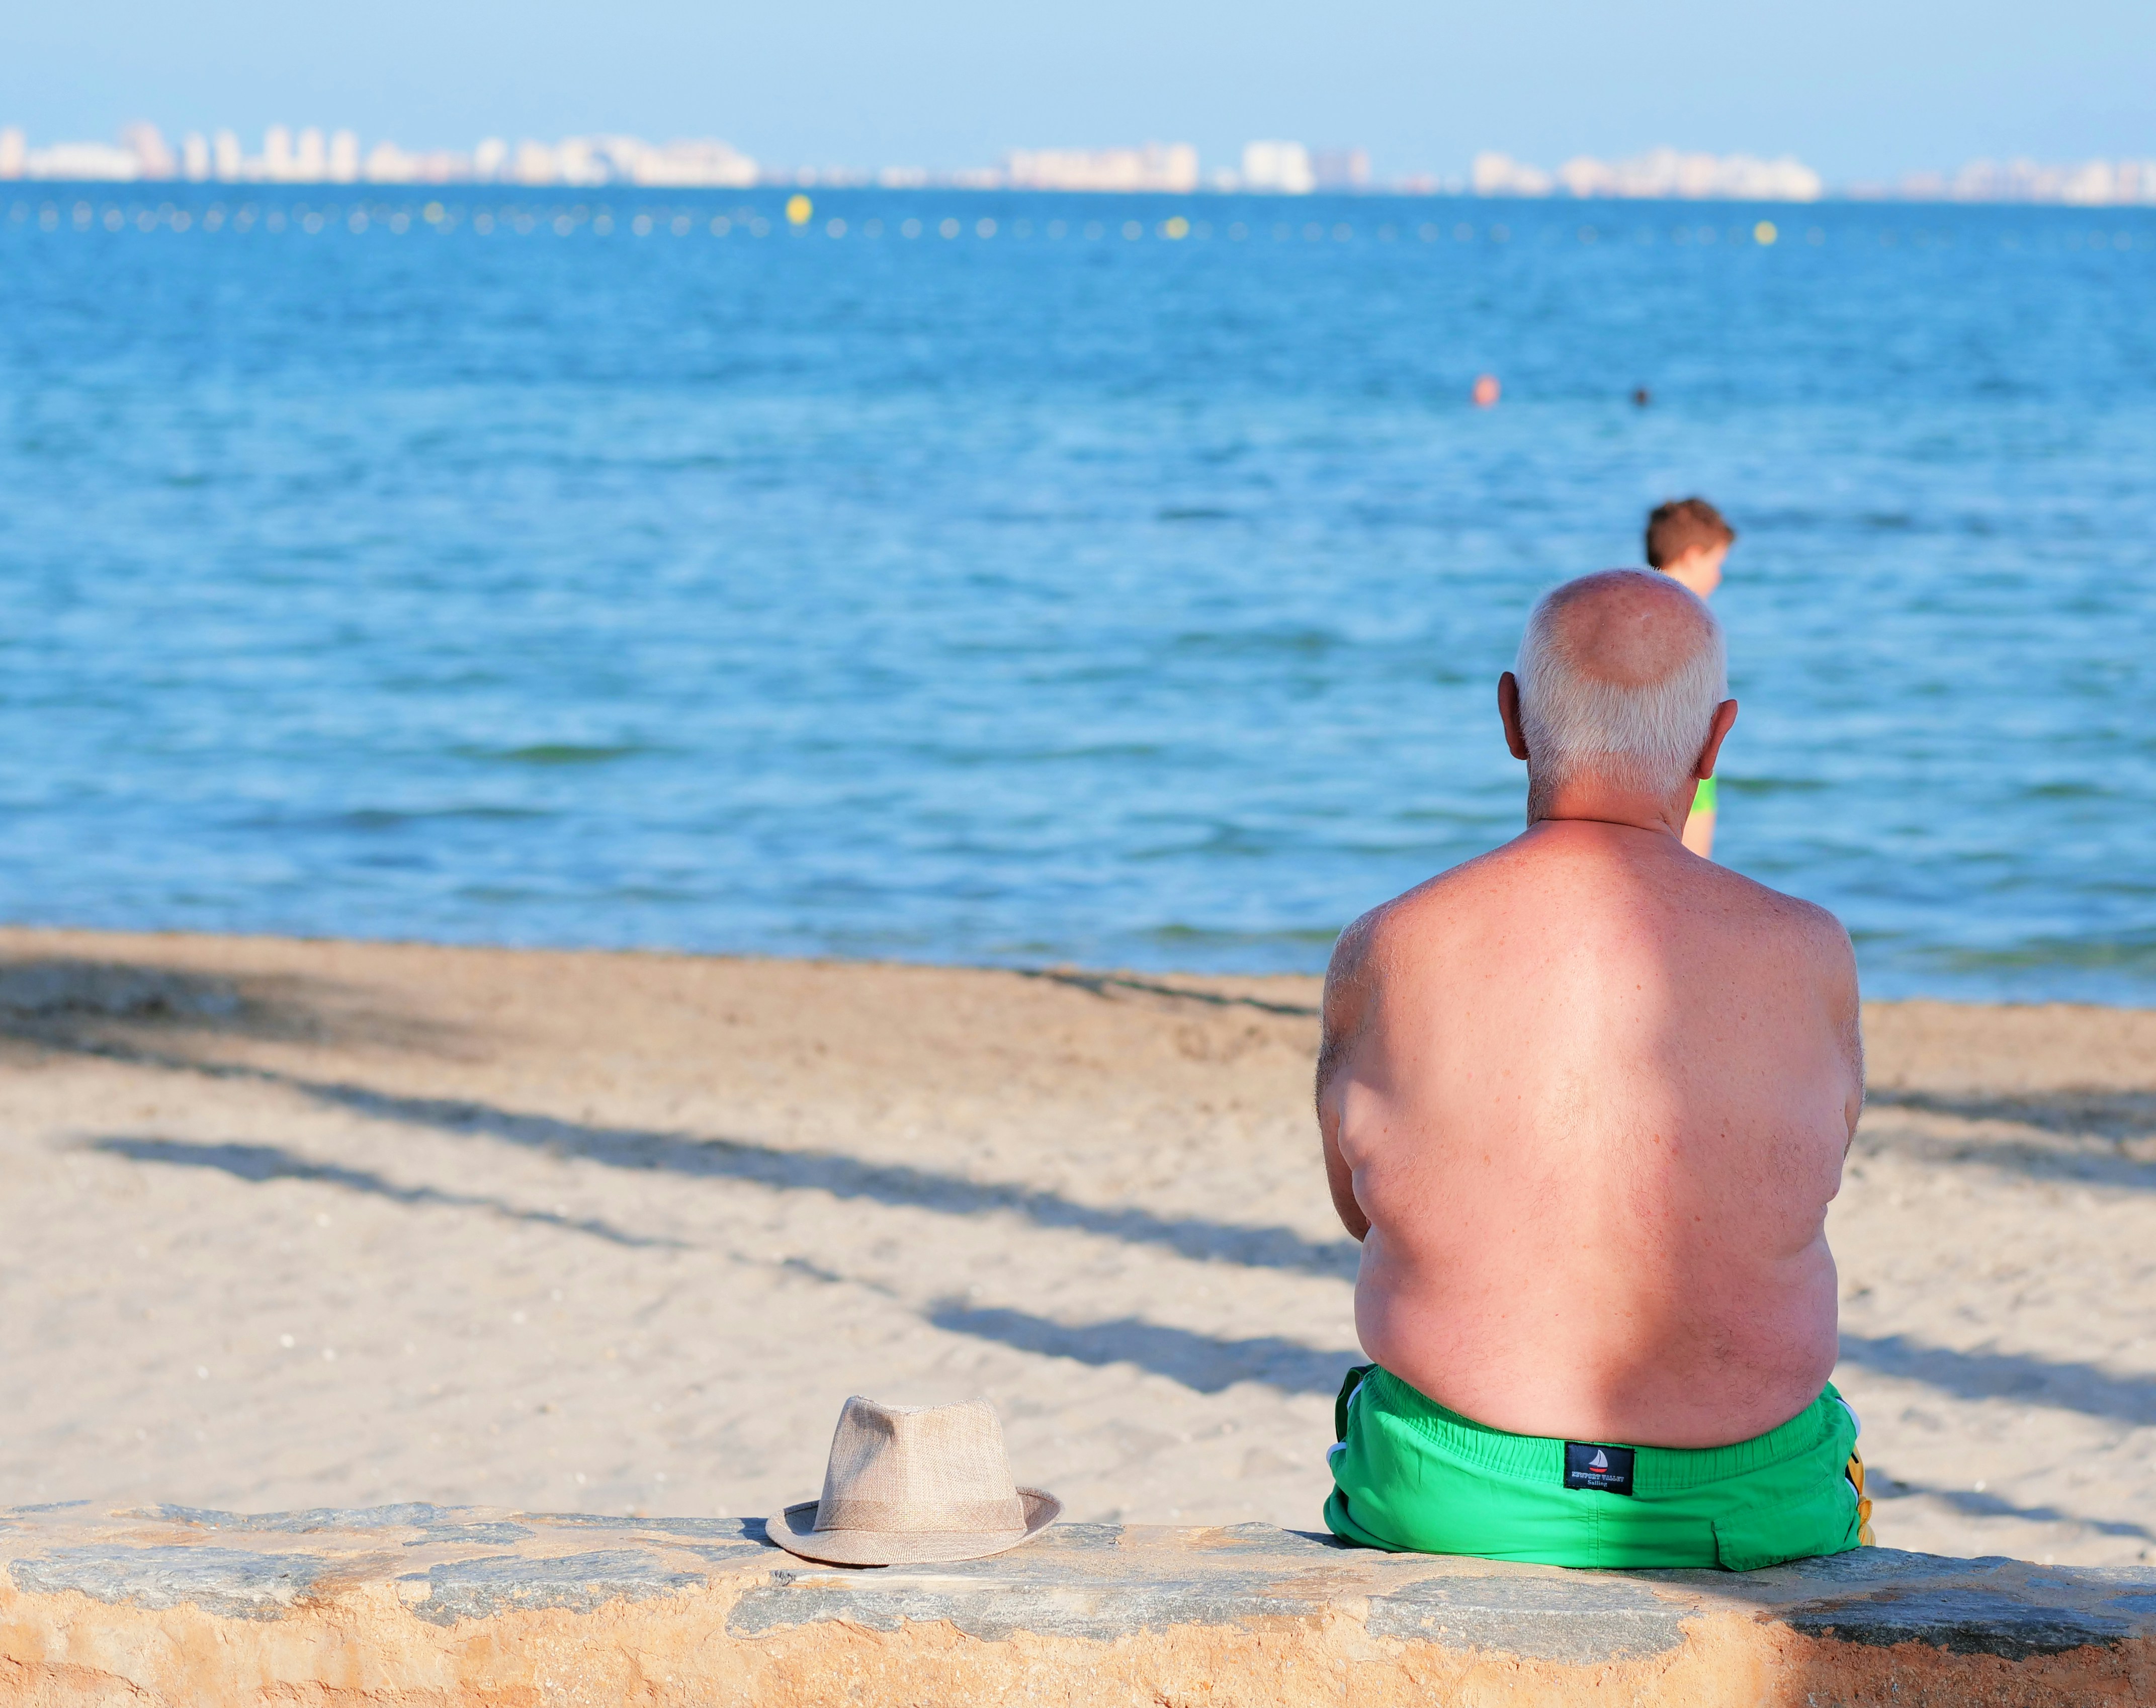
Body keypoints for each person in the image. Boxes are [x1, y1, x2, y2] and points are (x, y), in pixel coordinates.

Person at [1318, 569, 1871, 1570]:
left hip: (1455, 1499)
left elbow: (1361, 1212)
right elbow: (1794, 1196)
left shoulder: (1387, 945)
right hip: (1746, 1507)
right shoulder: (1809, 951)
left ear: (1511, 719)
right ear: (1715, 742)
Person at [1644, 497, 1736, 857]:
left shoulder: (1628, 608)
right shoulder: (1690, 621)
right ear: (1693, 555)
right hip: (1683, 770)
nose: (1718, 575)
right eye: (1716, 563)